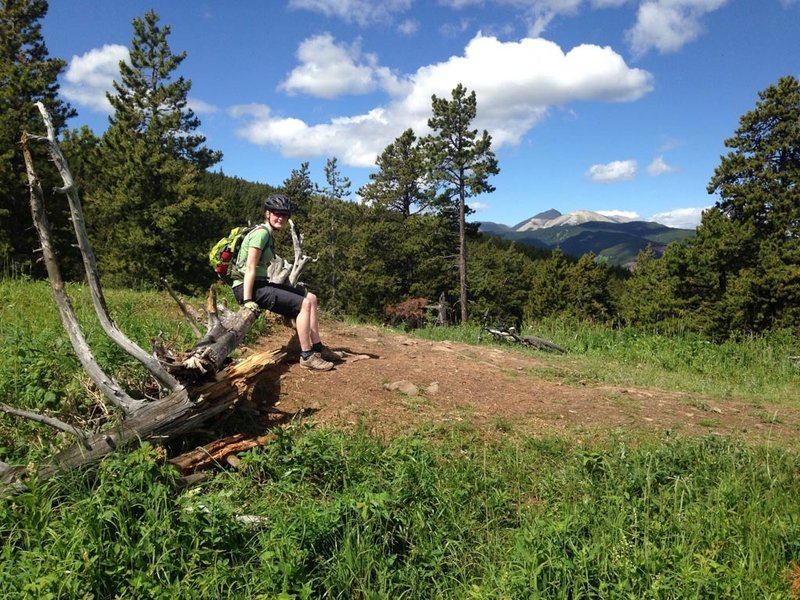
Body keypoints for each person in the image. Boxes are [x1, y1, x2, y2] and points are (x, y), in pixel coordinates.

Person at [232, 194, 339, 371]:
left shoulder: (266, 233)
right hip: (248, 287)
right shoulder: (261, 234)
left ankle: (318, 348)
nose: (281, 217)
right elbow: (250, 267)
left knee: (310, 297)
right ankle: (307, 356)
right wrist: (247, 300)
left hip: (259, 284)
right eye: (276, 213)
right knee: (303, 304)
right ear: (267, 213)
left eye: (284, 214)